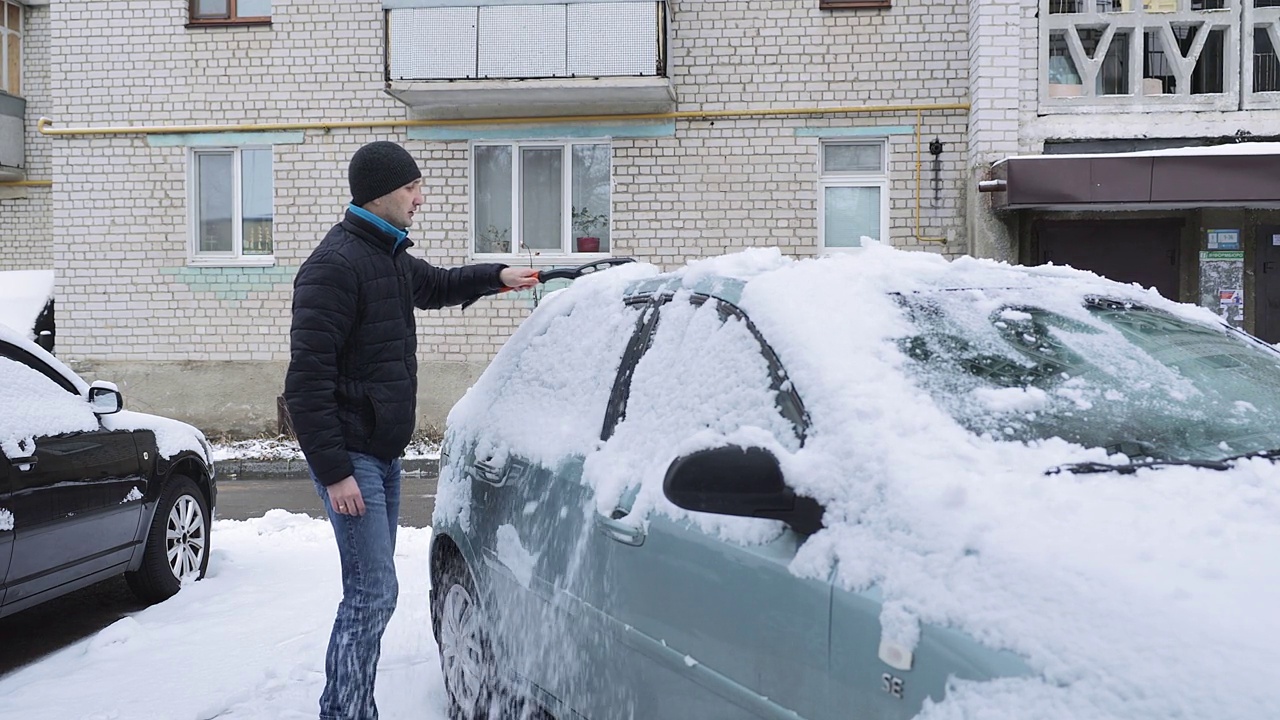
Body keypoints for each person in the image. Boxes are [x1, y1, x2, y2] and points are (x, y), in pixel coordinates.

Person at [284, 140, 538, 720]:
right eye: (411, 188)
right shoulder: (334, 267)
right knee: (372, 593)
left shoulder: (388, 256)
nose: (420, 197)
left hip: (381, 454)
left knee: (375, 591)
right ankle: (344, 713)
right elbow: (305, 385)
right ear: (380, 193)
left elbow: (440, 286)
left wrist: (499, 276)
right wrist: (337, 473)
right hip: (353, 460)